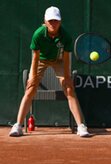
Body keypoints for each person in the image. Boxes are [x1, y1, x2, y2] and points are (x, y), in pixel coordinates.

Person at [9, 6, 89, 137]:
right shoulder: (38, 34)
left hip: (59, 60)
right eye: (50, 21)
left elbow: (66, 57)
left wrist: (67, 76)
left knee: (69, 89)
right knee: (30, 88)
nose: (53, 24)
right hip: (41, 60)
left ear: (60, 21)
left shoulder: (66, 36)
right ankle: (17, 126)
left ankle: (81, 126)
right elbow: (35, 57)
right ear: (45, 21)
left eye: (56, 21)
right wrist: (33, 76)